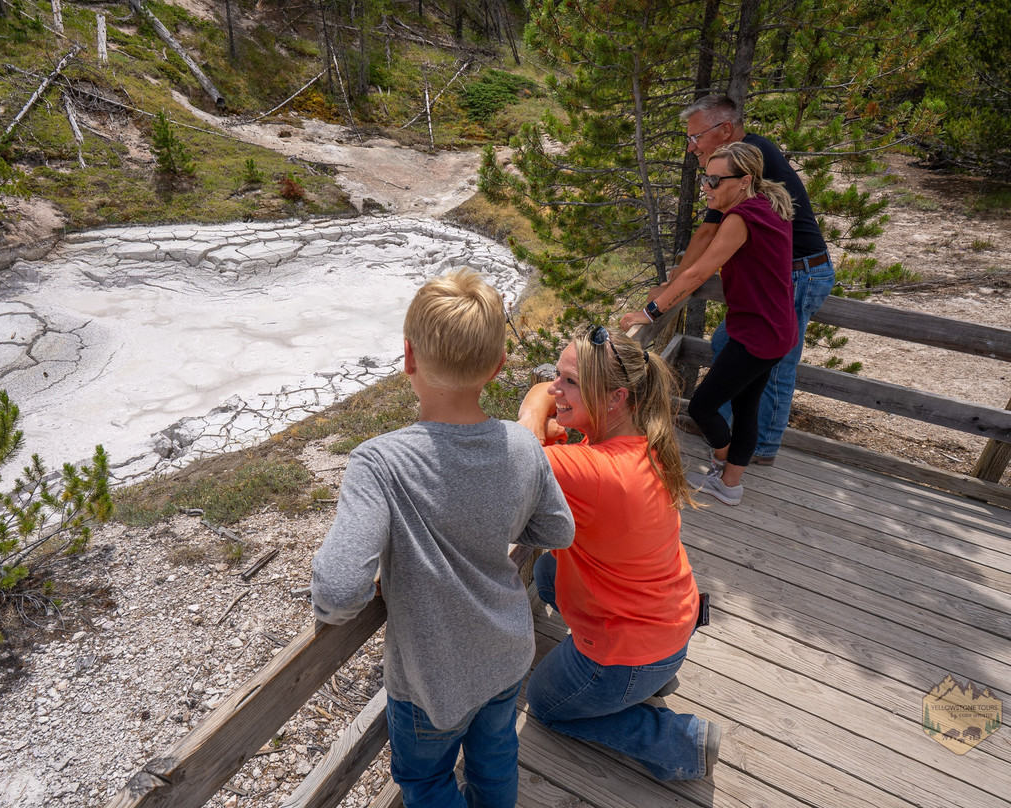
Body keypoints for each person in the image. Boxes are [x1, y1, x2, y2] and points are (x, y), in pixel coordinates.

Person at [310, 268, 575, 808]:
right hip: (505, 652)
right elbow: (558, 529)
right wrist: (494, 520)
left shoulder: (379, 463)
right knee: (495, 758)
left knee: (427, 783)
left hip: (432, 680)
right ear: (499, 367)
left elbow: (338, 594)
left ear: (408, 357)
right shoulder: (521, 448)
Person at [516, 325, 720, 781]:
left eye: (569, 381)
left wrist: (535, 416)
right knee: (549, 570)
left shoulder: (592, 471)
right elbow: (543, 420)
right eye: (558, 375)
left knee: (547, 706)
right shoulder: (644, 436)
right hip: (672, 619)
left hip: (632, 649)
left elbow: (516, 450)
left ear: (616, 399)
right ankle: (646, 681)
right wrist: (558, 409)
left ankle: (679, 741)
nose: (555, 388)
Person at [623, 94, 835, 466]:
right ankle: (730, 433)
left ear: (724, 130)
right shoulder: (728, 173)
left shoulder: (743, 164)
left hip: (800, 272)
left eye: (695, 137)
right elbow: (707, 233)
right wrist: (673, 282)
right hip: (787, 273)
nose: (691, 148)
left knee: (775, 367)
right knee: (730, 346)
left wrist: (658, 304)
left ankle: (758, 450)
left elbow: (706, 250)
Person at [624, 141, 797, 504]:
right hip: (777, 329)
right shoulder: (767, 206)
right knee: (746, 407)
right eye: (706, 178)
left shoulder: (741, 218)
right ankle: (731, 484)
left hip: (757, 334)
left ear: (744, 180)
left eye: (716, 181)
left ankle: (723, 462)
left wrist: (651, 311)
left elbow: (699, 273)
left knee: (703, 406)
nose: (706, 187)